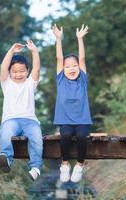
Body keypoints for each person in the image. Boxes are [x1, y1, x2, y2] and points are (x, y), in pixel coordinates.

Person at [0, 40, 43, 181]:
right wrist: (11, 51)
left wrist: (34, 51)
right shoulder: (6, 83)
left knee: (37, 138)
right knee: (5, 133)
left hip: (30, 121)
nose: (18, 74)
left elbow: (37, 68)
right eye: (15, 71)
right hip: (11, 120)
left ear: (27, 71)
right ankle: (6, 159)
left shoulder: (30, 83)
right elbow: (3, 68)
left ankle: (36, 168)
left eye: (22, 71)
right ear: (10, 73)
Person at [52, 24, 93, 183]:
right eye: (67, 66)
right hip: (65, 121)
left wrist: (80, 39)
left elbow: (82, 58)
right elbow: (59, 58)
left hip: (82, 120)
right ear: (63, 69)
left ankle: (80, 165)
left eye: (74, 66)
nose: (71, 68)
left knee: (82, 136)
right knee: (66, 135)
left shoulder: (82, 80)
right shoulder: (61, 80)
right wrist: (58, 39)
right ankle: (64, 164)